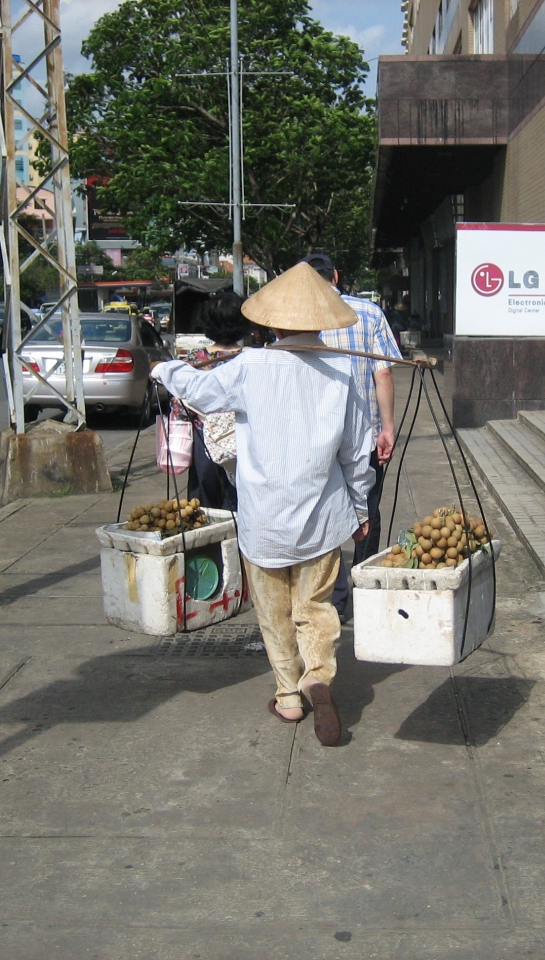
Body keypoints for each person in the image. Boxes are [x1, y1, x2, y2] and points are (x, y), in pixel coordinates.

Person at [150, 263, 374, 747]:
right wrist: (360, 510)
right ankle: (319, 676)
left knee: (273, 611)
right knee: (315, 607)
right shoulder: (342, 370)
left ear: (271, 324)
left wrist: (163, 367)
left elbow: (196, 390)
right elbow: (358, 451)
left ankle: (289, 697)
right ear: (323, 320)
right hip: (322, 513)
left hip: (264, 517)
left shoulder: (249, 367)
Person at [301, 254, 401, 617]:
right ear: (336, 276)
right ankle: (360, 592)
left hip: (315, 436)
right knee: (367, 509)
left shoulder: (297, 318)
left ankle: (328, 593)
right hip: (365, 434)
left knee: (319, 511)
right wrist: (387, 427)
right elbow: (383, 374)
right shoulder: (369, 312)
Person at [184, 291, 249, 511]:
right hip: (243, 440)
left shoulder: (193, 362)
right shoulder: (250, 359)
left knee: (206, 508)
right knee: (242, 504)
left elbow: (179, 406)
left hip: (204, 442)